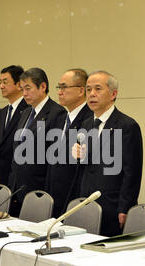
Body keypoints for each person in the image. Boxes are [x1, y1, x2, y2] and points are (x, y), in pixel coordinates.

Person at [72, 71, 143, 236]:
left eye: (98, 89)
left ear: (113, 94)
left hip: (112, 207)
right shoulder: (86, 124)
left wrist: (125, 208)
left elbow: (131, 172)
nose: (92, 94)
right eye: (88, 90)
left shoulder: (127, 126)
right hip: (86, 205)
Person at [8, 67, 66, 216]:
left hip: (39, 187)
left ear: (43, 87)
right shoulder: (26, 112)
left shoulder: (57, 113)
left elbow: (53, 157)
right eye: (22, 89)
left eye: (28, 88)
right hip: (17, 187)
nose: (24, 93)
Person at [45, 68, 93, 218]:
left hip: (75, 199)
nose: (59, 92)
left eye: (64, 87)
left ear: (80, 91)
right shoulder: (60, 118)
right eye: (59, 87)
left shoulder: (90, 120)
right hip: (56, 196)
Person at [0, 65, 30, 187]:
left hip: (17, 178)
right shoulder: (1, 113)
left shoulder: (28, 111)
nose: (1, 86)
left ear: (19, 84)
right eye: (0, 82)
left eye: (5, 82)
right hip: (0, 178)